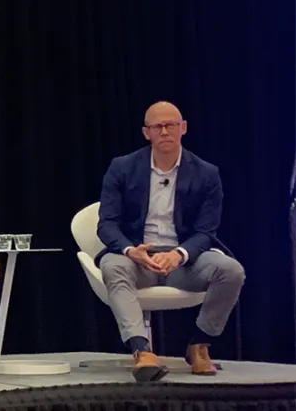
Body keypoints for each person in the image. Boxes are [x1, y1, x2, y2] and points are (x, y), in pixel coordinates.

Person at [97, 101, 245, 382]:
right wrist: (131, 250)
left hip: (185, 261)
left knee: (231, 271)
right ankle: (142, 351)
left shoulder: (206, 173)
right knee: (112, 265)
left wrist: (179, 254)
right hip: (138, 258)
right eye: (157, 127)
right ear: (146, 133)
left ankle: (199, 346)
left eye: (171, 125)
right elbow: (107, 224)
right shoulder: (122, 168)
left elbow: (206, 231)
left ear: (183, 128)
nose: (165, 131)